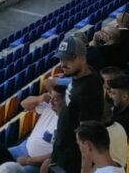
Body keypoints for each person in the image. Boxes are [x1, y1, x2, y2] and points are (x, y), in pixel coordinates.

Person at [49, 35, 104, 173]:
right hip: (61, 152)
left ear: (82, 58)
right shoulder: (79, 75)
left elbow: (87, 136)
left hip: (70, 161)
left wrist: (84, 170)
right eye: (61, 59)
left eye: (68, 59)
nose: (62, 64)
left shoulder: (89, 90)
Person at [8, 83, 64, 172]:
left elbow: (56, 155)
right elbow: (24, 104)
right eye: (51, 98)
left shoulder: (69, 123)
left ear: (65, 101)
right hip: (23, 147)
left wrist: (28, 161)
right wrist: (40, 98)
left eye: (55, 99)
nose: (51, 101)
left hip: (37, 164)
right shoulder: (50, 106)